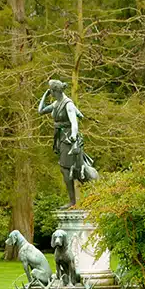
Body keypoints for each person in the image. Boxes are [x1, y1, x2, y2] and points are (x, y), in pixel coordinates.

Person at [38, 80, 98, 209]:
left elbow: (74, 122)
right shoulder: (56, 103)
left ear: (55, 91)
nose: (51, 93)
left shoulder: (68, 104)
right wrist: (45, 95)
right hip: (60, 138)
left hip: (69, 138)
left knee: (67, 168)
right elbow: (41, 110)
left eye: (51, 91)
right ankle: (73, 200)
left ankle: (76, 199)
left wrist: (73, 135)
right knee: (64, 169)